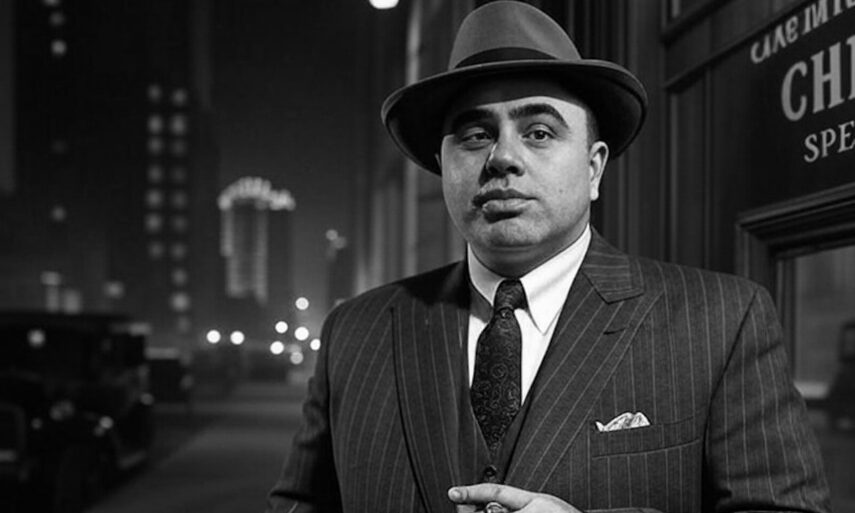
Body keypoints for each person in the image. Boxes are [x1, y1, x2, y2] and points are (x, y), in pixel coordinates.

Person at [266, 2, 831, 512]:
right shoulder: (355, 332)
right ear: (443, 168)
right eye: (474, 135)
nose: (502, 157)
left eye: (538, 132)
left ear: (593, 167)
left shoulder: (721, 322)